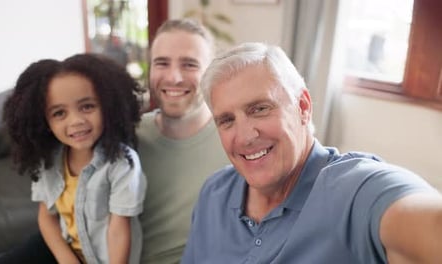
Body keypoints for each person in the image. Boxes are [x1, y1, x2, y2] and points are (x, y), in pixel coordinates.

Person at [182, 42, 442, 263]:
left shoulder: (356, 191)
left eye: (259, 109)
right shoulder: (214, 193)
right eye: (227, 120)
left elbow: (426, 220)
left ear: (303, 107)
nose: (245, 136)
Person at [0, 54, 146, 264]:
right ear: (44, 121)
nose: (76, 121)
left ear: (108, 106)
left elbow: (118, 231)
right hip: (61, 252)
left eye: (87, 106)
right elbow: (47, 217)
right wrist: (66, 259)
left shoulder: (123, 163)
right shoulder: (49, 159)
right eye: (59, 113)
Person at [137, 19, 230, 264]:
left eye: (189, 64)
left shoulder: (234, 142)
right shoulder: (127, 137)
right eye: (162, 63)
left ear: (211, 72)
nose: (174, 77)